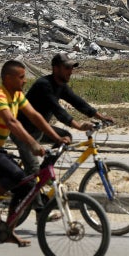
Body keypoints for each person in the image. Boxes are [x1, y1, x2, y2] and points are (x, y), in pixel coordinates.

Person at [0, 59, 69, 247]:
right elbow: (12, 123)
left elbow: (35, 116)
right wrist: (32, 144)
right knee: (15, 175)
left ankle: (9, 230)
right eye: (21, 77)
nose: (25, 81)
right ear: (8, 78)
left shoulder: (17, 95)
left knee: (26, 185)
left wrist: (56, 137)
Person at [11, 52, 114, 212]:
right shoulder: (44, 84)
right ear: (55, 68)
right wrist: (78, 125)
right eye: (67, 67)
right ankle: (40, 210)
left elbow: (77, 101)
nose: (70, 71)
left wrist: (100, 116)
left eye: (72, 67)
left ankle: (43, 174)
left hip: (39, 129)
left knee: (65, 137)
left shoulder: (60, 85)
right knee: (33, 170)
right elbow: (58, 110)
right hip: (23, 132)